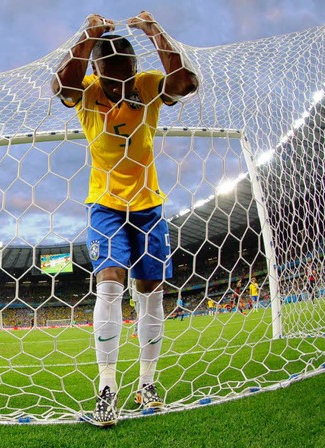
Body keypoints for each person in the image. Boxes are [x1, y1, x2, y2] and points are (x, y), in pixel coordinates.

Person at [51, 11, 198, 426]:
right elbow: (61, 85)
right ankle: (107, 390)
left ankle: (147, 383)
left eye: (126, 77)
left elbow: (185, 82)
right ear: (97, 71)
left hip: (148, 204)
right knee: (110, 283)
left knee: (150, 290)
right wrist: (86, 36)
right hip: (105, 204)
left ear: (136, 68)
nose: (118, 88)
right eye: (110, 78)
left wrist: (155, 31)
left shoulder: (148, 86)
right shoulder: (86, 90)